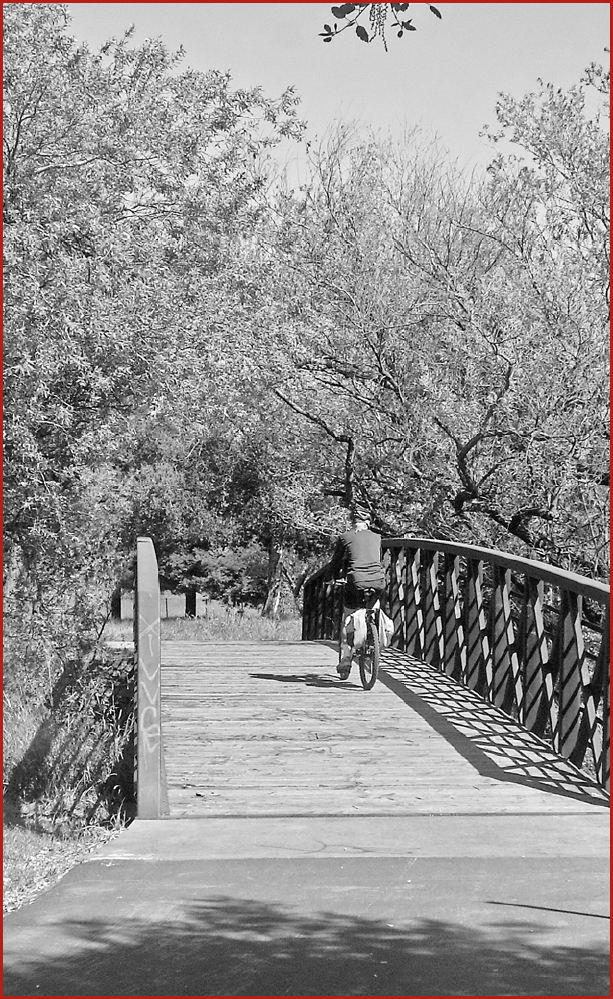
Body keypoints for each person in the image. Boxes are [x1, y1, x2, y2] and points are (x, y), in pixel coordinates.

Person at [328, 506, 386, 680]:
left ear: (353, 522)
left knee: (348, 617)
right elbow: (378, 559)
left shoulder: (345, 537)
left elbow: (336, 563)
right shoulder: (377, 537)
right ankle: (374, 645)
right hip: (378, 581)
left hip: (356, 581)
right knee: (374, 609)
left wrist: (332, 578)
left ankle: (346, 658)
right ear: (368, 522)